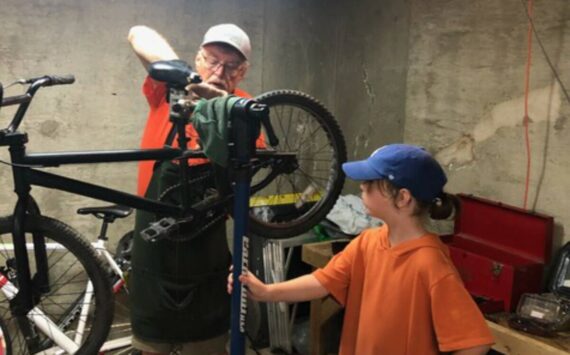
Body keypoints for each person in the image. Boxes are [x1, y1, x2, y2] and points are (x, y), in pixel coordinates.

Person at [229, 144, 495, 355]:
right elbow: (323, 281)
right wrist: (266, 292)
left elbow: (475, 342)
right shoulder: (369, 242)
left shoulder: (431, 264)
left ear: (403, 198)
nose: (362, 186)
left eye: (371, 182)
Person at [127, 23, 253, 355]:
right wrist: (190, 82)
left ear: (242, 73)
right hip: (153, 256)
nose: (219, 70)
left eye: (230, 66)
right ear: (198, 58)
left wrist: (222, 104)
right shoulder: (168, 93)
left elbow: (250, 178)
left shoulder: (244, 110)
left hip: (206, 262)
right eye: (212, 60)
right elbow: (138, 34)